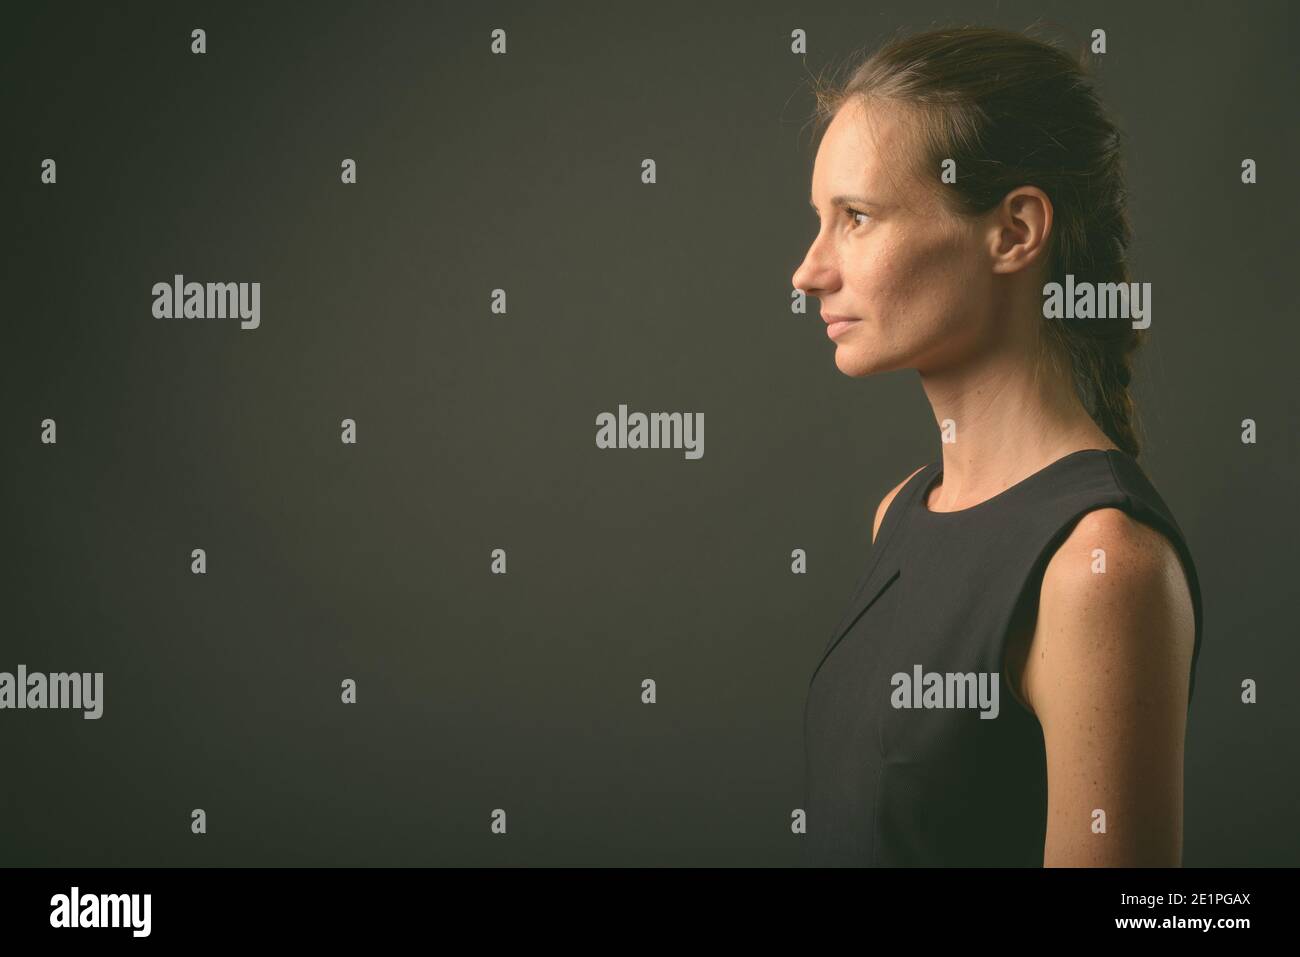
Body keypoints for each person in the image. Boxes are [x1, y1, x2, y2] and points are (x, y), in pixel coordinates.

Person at [792, 26, 1203, 866]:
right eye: (819, 222)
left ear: (1015, 230)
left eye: (857, 218)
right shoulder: (900, 514)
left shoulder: (1101, 564)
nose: (808, 270)